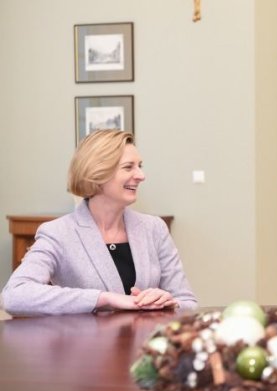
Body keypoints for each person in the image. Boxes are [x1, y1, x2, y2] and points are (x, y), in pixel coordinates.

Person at [2, 130, 198, 316]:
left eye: (140, 166)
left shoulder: (154, 228)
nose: (141, 175)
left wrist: (171, 303)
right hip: (87, 350)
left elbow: (188, 302)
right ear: (98, 173)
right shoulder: (58, 233)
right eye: (128, 167)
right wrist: (103, 299)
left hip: (145, 349)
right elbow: (14, 295)